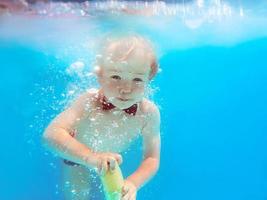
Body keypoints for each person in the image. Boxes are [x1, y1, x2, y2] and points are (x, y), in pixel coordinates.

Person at [43, 35, 161, 200]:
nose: (126, 88)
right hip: (78, 159)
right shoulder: (88, 101)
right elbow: (51, 134)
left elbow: (151, 158)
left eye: (137, 79)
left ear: (149, 79)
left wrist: (133, 182)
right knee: (78, 196)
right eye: (116, 77)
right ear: (100, 76)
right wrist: (91, 158)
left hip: (112, 166)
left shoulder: (149, 113)